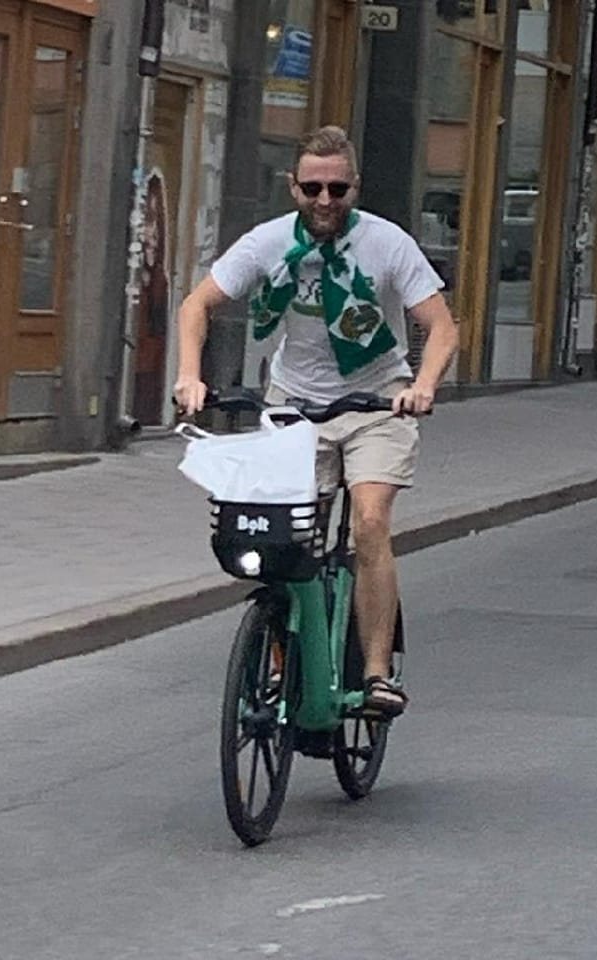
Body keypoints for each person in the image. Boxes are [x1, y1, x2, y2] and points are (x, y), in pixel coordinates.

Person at [174, 125, 458, 716]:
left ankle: (376, 675)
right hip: (295, 403)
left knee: (370, 523)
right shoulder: (269, 243)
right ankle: (284, 660)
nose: (324, 200)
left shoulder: (387, 244)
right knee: (284, 537)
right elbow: (197, 304)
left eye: (336, 189)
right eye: (312, 188)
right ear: (293, 187)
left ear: (355, 186)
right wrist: (189, 375)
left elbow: (441, 327)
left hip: (378, 402)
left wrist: (423, 385)